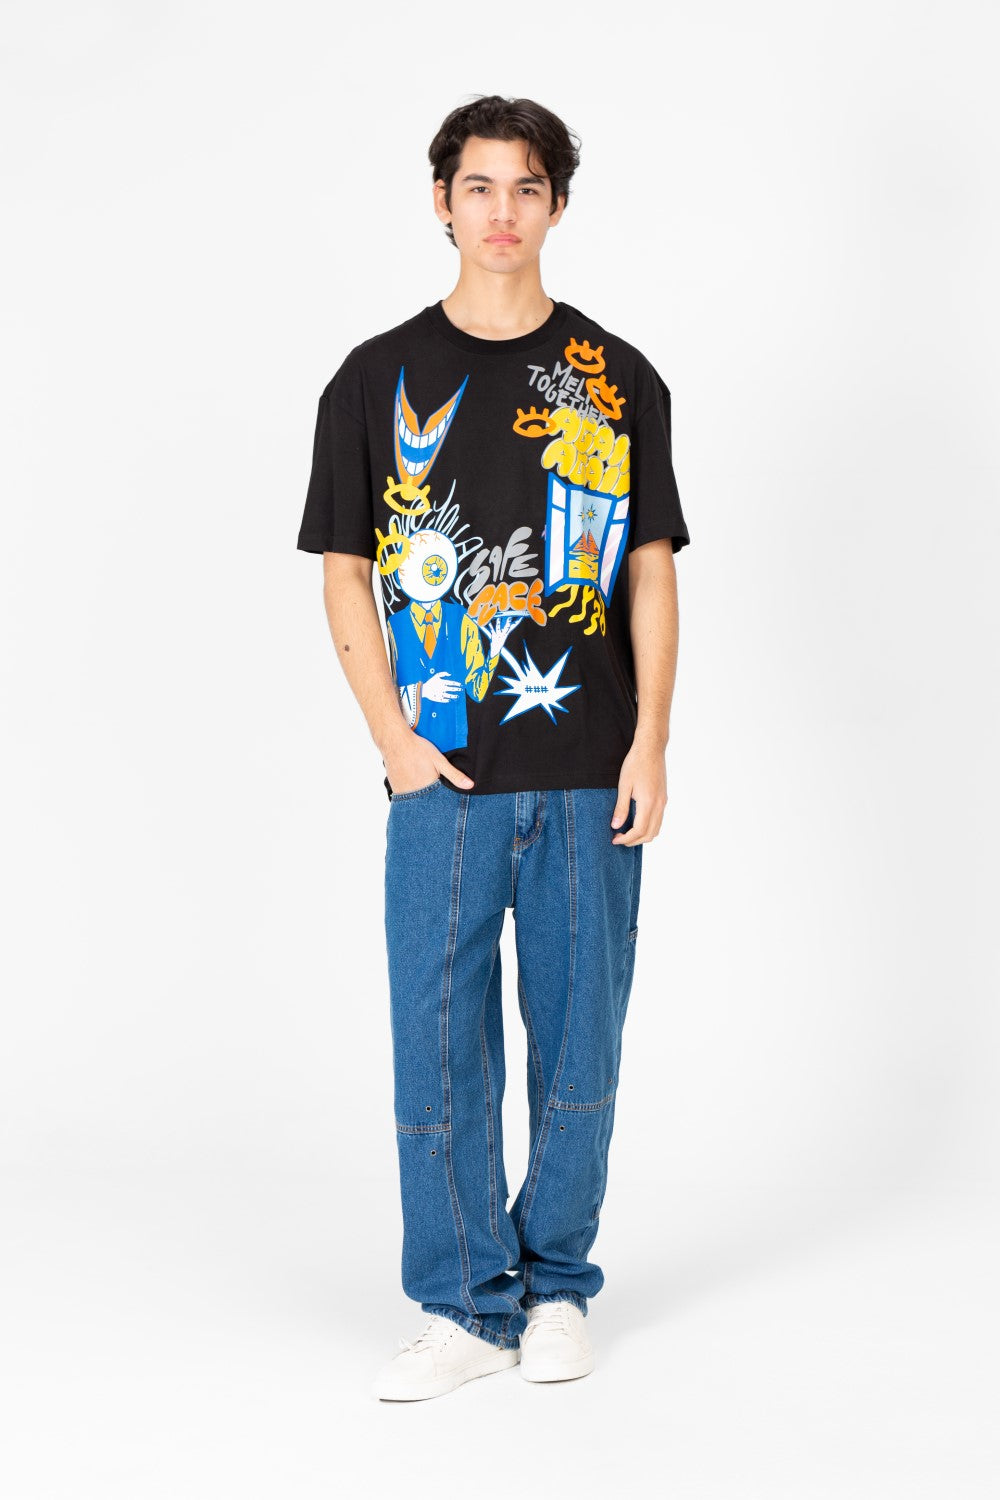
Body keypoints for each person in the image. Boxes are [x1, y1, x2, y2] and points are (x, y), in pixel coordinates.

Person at [296, 94, 690, 1402]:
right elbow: (346, 571)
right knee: (438, 1046)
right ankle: (467, 1305)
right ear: (442, 202)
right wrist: (393, 737)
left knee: (580, 1045)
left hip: (589, 771)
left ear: (556, 206)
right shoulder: (374, 379)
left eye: (527, 188)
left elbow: (649, 570)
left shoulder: (617, 378)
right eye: (479, 187)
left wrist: (651, 742)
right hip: (443, 777)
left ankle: (557, 1284)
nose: (502, 212)